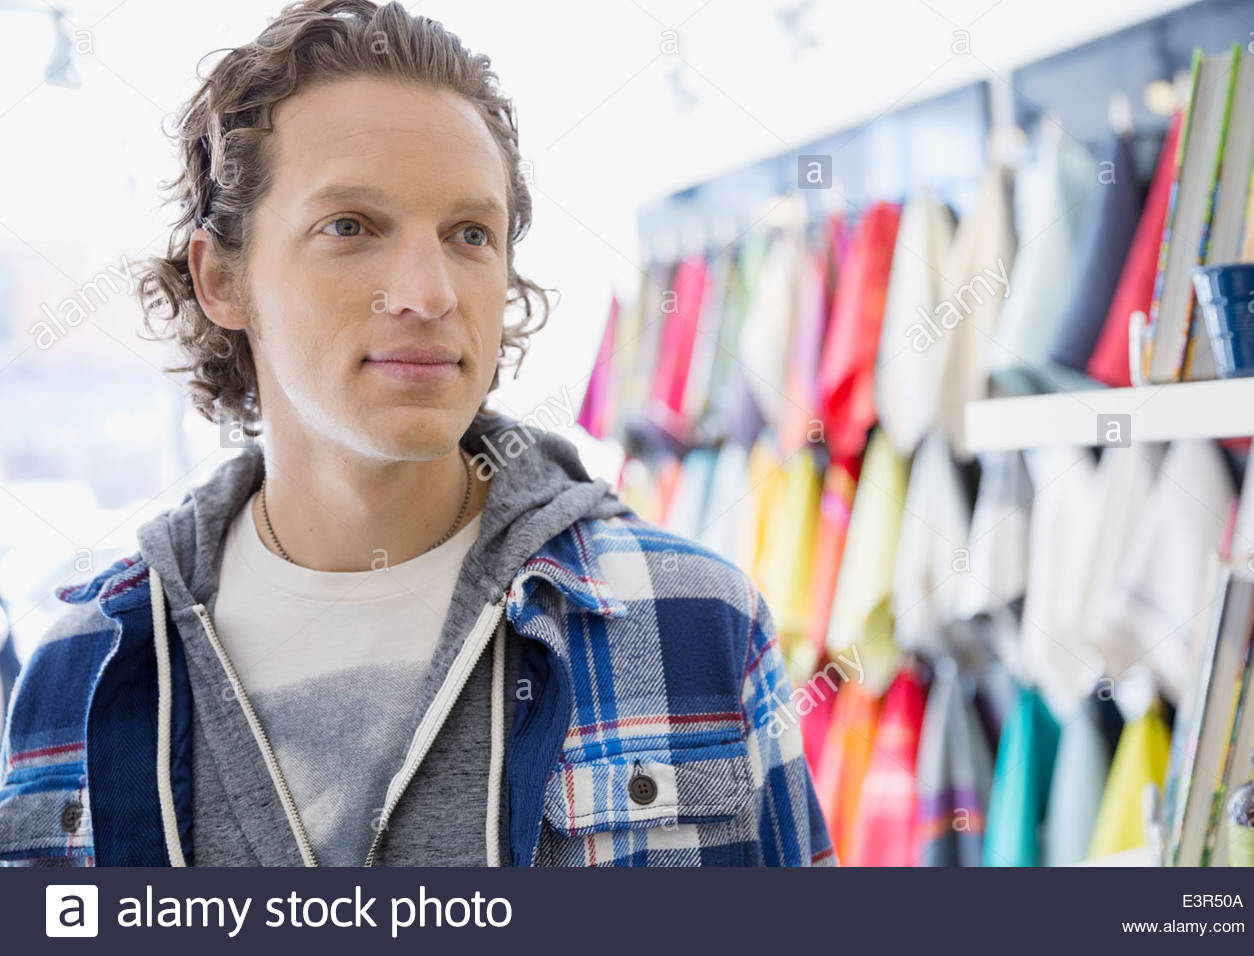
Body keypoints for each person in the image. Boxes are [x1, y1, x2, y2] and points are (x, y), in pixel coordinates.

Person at [0, 0, 834, 867]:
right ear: (221, 279)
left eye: (469, 233)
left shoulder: (688, 622)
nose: (429, 293)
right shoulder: (84, 670)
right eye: (351, 227)